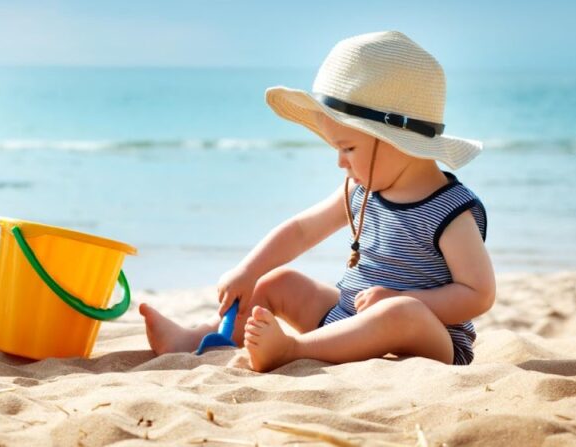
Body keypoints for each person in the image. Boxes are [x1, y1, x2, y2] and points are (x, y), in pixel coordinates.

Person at [141, 31, 495, 372]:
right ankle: (202, 337)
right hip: (346, 318)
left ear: (395, 140)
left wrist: (407, 301)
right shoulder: (360, 190)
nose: (340, 162)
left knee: (401, 312)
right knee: (276, 283)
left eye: (348, 148)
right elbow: (301, 230)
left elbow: (478, 294)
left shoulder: (450, 210)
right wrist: (249, 271)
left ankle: (294, 349)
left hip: (425, 337)